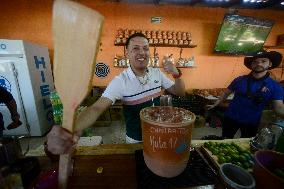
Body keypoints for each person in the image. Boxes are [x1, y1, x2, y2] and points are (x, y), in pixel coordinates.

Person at [47, 33, 185, 154]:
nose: (142, 52)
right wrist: (70, 129)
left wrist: (176, 74)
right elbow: (97, 108)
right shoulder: (120, 81)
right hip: (136, 140)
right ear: (127, 53)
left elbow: (180, 92)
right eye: (135, 48)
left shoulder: (157, 73)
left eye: (145, 48)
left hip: (160, 135)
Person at [207, 51, 284, 138]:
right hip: (231, 117)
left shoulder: (275, 86)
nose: (259, 64)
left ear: (270, 64)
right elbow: (226, 93)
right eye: (255, 61)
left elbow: (279, 108)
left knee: (245, 145)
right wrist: (215, 104)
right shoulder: (239, 80)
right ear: (251, 65)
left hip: (251, 121)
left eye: (263, 61)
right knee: (225, 139)